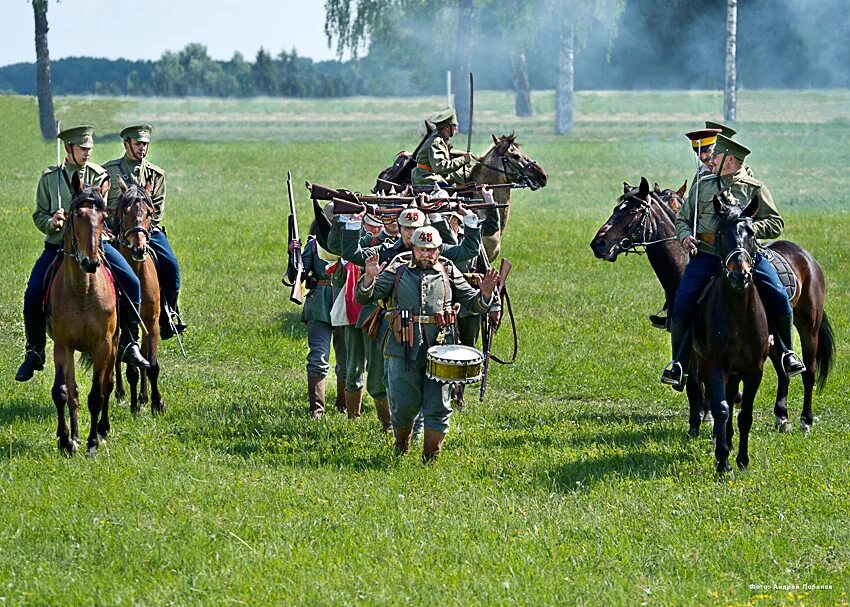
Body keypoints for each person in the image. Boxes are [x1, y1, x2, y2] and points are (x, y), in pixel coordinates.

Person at [660, 134, 805, 389]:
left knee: (780, 297)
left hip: (744, 255)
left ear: (730, 160)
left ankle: (786, 353)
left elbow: (776, 224)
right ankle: (679, 364)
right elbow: (682, 219)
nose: (709, 159)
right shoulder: (703, 185)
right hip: (707, 254)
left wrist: (747, 229)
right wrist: (684, 238)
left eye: (716, 156)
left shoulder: (753, 188)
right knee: (682, 302)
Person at [16, 125, 148, 382]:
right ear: (68, 149)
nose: (87, 153)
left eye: (89, 149)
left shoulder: (100, 176)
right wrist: (51, 222)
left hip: (97, 246)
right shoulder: (50, 179)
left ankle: (129, 344)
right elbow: (39, 214)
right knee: (32, 293)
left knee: (132, 283)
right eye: (82, 149)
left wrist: (105, 229)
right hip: (58, 247)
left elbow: (111, 212)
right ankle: (35, 351)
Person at [356, 225, 499, 462]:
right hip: (402, 347)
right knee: (403, 404)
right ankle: (401, 446)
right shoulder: (398, 268)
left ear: (439, 249)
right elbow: (366, 297)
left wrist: (484, 295)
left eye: (430, 250)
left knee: (439, 406)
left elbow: (473, 304)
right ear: (412, 248)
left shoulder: (449, 269)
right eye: (421, 249)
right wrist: (369, 278)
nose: (426, 254)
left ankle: (430, 460)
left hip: (442, 349)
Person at [104, 125, 186, 339]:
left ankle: (169, 313)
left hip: (147, 231)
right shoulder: (108, 171)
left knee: (171, 264)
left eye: (145, 144)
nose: (142, 148)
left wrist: (142, 230)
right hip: (114, 230)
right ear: (126, 144)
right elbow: (102, 205)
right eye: (138, 144)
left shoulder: (156, 175)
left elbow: (157, 211)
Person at [285, 203, 348, 418]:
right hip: (319, 307)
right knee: (318, 359)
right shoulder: (313, 246)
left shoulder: (351, 244)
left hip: (345, 304)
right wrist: (294, 257)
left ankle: (344, 405)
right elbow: (297, 277)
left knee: (346, 360)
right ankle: (317, 410)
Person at [411, 108, 475, 186]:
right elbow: (441, 168)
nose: (456, 128)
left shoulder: (439, 139)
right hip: (427, 178)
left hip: (430, 175)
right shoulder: (436, 142)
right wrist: (463, 159)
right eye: (454, 125)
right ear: (447, 127)